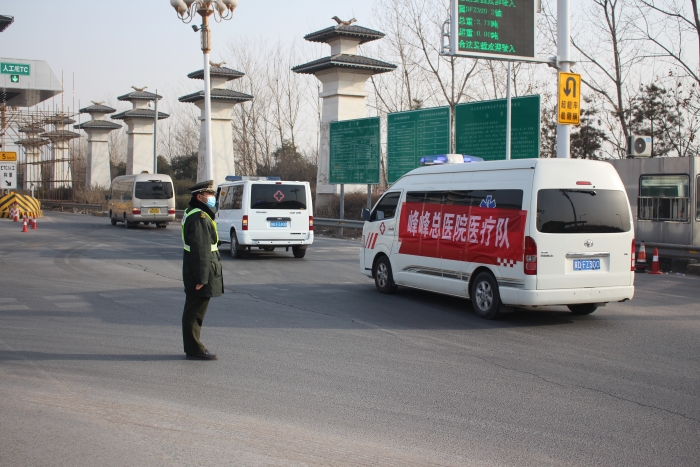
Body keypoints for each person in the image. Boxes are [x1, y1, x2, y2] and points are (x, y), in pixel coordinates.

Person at [181, 180, 223, 360]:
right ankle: (194, 348)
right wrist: (201, 278)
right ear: (200, 197)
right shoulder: (200, 218)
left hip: (197, 269)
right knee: (195, 311)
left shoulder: (195, 213)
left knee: (195, 310)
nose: (213, 198)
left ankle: (193, 346)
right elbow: (201, 250)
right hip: (200, 271)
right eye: (210, 195)